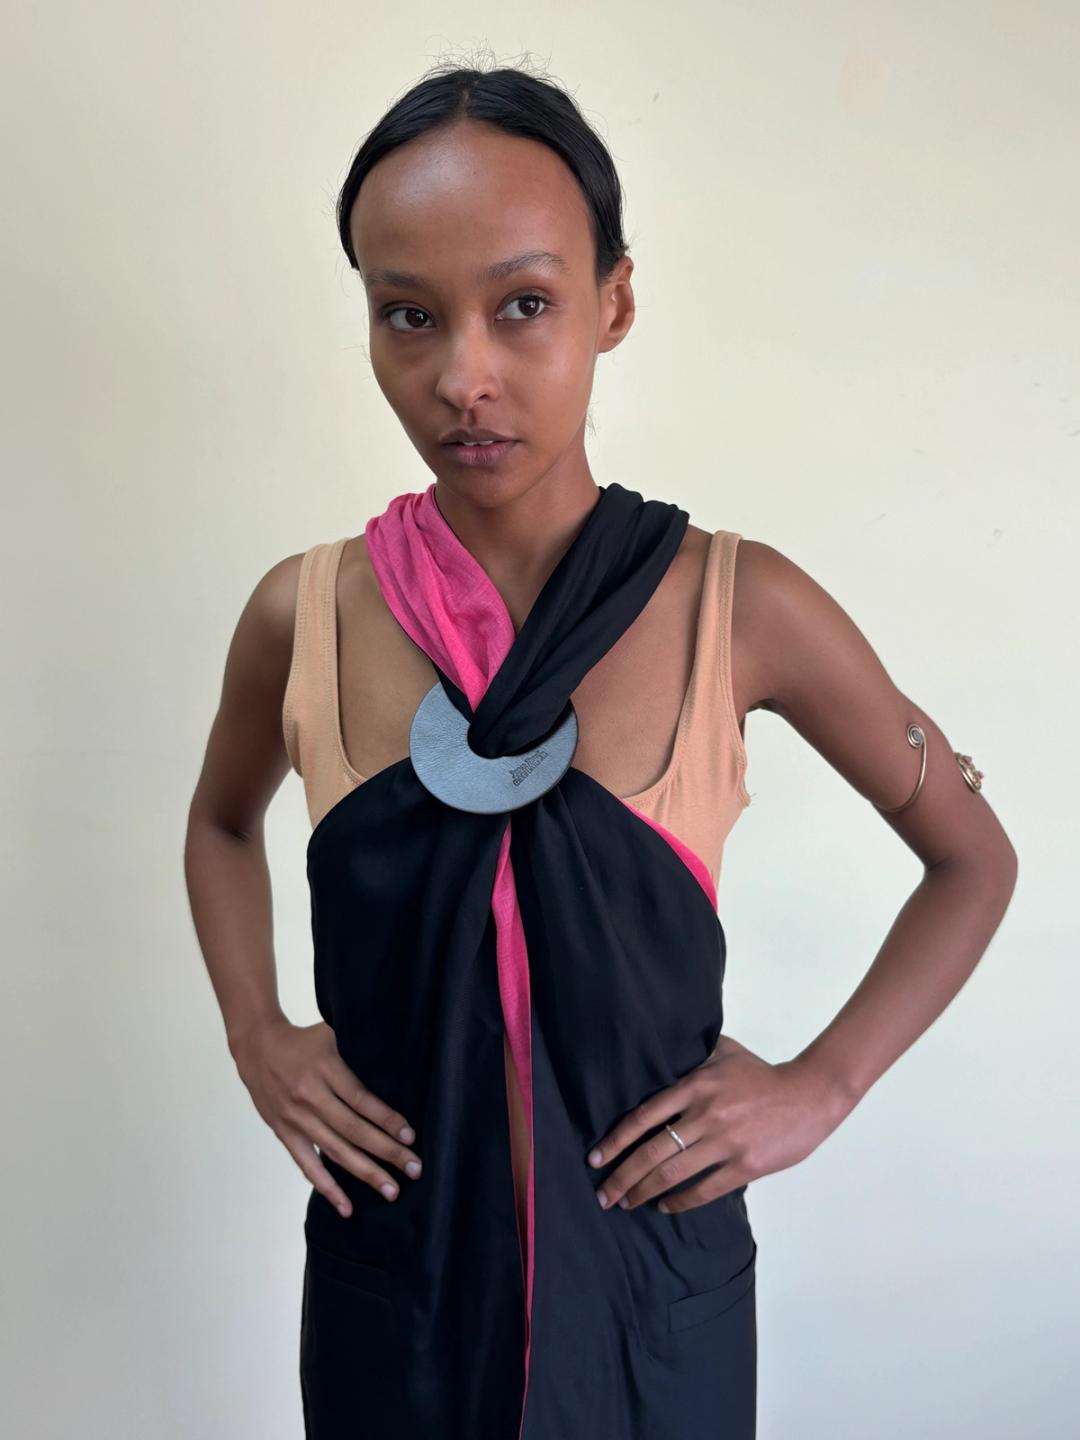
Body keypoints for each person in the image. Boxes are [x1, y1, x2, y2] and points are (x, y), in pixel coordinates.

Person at [183, 59, 1018, 1440]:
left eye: (524, 305)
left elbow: (972, 861)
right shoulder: (306, 615)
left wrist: (823, 1086)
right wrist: (256, 1035)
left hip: (653, 1301)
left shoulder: (738, 609)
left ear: (614, 302)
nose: (464, 377)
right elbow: (220, 824)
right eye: (408, 315)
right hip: (397, 1298)